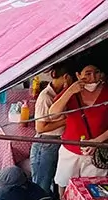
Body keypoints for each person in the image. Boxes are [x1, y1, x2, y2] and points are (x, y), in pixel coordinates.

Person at [50, 55, 108, 190]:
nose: (93, 78)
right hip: (70, 152)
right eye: (87, 74)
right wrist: (70, 91)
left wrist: (97, 141)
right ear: (78, 75)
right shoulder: (71, 94)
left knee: (92, 190)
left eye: (97, 73)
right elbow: (53, 113)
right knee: (65, 189)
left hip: (96, 153)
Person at [31, 62, 74, 192]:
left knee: (52, 182)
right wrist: (67, 121)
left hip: (56, 142)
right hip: (46, 143)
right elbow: (40, 127)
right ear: (66, 77)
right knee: (42, 185)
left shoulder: (61, 94)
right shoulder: (46, 97)